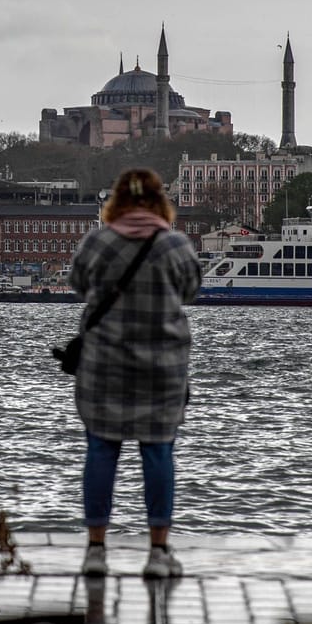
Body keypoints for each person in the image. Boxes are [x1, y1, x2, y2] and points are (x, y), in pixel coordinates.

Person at [69, 167, 200, 579]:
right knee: (158, 451)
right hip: (162, 366)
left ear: (117, 201)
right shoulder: (175, 245)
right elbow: (191, 290)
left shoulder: (99, 241)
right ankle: (158, 553)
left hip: (104, 363)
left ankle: (95, 549)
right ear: (161, 201)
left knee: (101, 450)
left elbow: (76, 283)